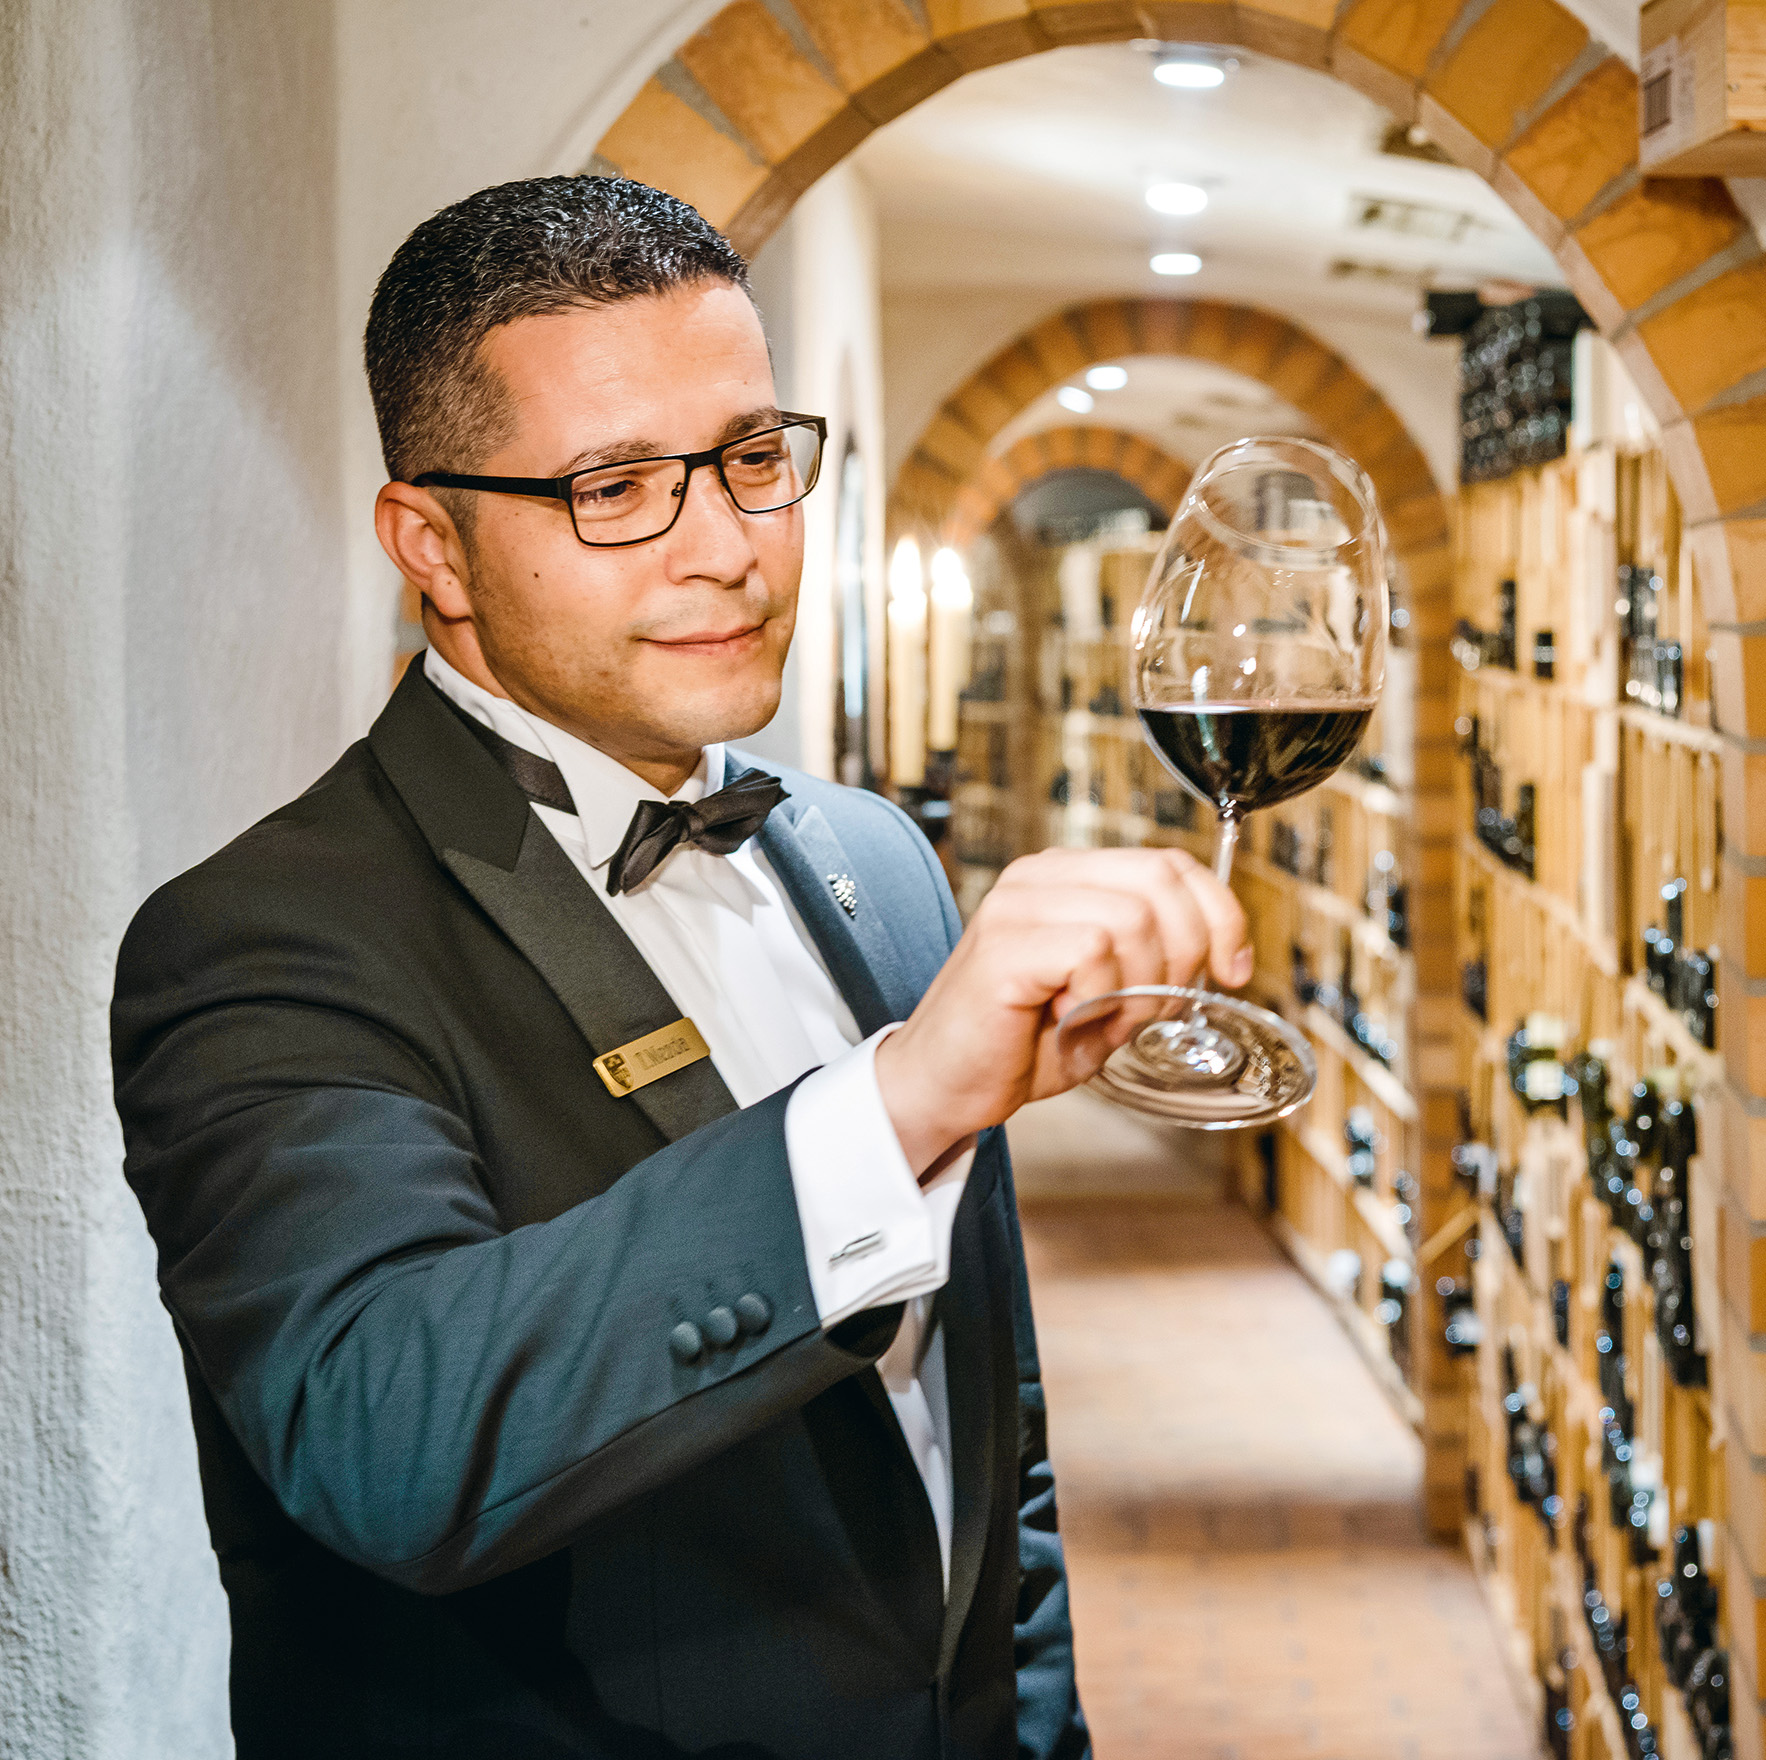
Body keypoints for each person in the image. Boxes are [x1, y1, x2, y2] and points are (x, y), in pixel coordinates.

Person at [111, 175, 1248, 1759]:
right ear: (430, 542)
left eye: (752, 461)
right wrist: (896, 1105)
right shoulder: (265, 935)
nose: (724, 548)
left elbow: (986, 1437)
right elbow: (386, 1437)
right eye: (615, 485)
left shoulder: (881, 865)